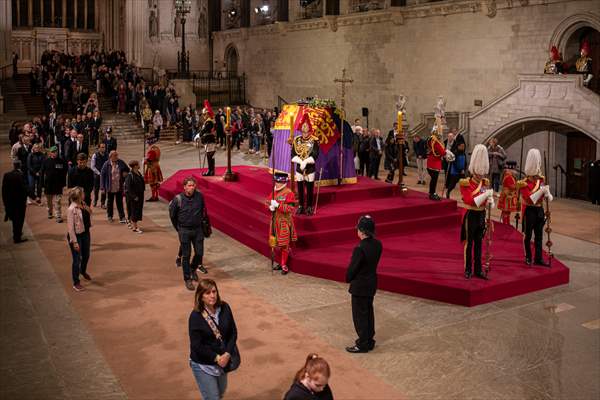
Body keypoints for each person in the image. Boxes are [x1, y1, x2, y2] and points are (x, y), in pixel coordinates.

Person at [188, 279, 239, 400]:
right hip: (203, 364)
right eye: (207, 293)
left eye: (214, 291)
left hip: (223, 361)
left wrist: (227, 353)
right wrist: (216, 358)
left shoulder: (225, 307)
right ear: (200, 297)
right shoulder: (195, 317)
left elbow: (233, 332)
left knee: (220, 393)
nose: (212, 295)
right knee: (212, 397)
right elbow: (196, 345)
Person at [345, 215, 382, 353]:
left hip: (359, 287)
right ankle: (369, 340)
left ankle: (362, 344)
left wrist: (348, 278)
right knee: (368, 313)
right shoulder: (378, 244)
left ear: (362, 231)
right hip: (371, 283)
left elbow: (353, 268)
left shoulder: (359, 248)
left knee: (360, 316)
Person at [459, 144, 494, 280]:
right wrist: (485, 196)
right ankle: (468, 269)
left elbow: (484, 201)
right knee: (469, 243)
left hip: (481, 215)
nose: (481, 173)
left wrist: (490, 200)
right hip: (471, 214)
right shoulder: (466, 183)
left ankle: (478, 270)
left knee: (479, 243)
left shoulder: (485, 182)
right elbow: (470, 200)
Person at [169, 177, 208, 291]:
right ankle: (187, 279)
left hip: (197, 229)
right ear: (184, 187)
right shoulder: (178, 199)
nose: (192, 187)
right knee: (186, 255)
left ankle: (192, 269)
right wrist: (179, 229)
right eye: (190, 185)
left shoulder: (200, 196)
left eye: (193, 185)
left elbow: (203, 211)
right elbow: (172, 216)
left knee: (199, 253)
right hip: (184, 230)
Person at [518, 149, 553, 267]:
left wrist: (548, 194)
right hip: (529, 210)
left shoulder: (541, 180)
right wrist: (542, 191)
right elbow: (529, 199)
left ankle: (538, 258)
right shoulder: (524, 183)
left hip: (539, 210)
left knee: (539, 236)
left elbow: (546, 197)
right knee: (528, 236)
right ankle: (528, 257)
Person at [267, 172, 297, 275]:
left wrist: (278, 206)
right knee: (275, 243)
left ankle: (284, 265)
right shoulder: (273, 191)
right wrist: (269, 206)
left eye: (279, 182)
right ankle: (280, 262)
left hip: (284, 222)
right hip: (274, 221)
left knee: (284, 244)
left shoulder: (289, 193)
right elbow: (267, 201)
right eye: (276, 181)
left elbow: (290, 208)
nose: (277, 184)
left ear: (284, 182)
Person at [291, 113, 320, 216]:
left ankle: (309, 206)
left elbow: (315, 155)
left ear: (309, 131)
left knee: (310, 188)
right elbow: (293, 154)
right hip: (299, 168)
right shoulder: (297, 140)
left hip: (310, 169)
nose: (304, 134)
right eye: (303, 132)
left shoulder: (314, 141)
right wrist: (300, 162)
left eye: (306, 132)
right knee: (300, 188)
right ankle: (301, 206)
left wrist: (306, 162)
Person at [66, 187, 92, 292]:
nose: (84, 194)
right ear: (78, 196)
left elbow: (90, 213)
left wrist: (87, 208)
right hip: (76, 236)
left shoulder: (83, 204)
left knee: (86, 255)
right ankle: (76, 282)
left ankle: (83, 270)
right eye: (83, 193)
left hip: (85, 233)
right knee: (77, 259)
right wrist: (75, 242)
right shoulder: (71, 209)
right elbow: (70, 228)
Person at [2, 160, 28, 243]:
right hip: (19, 203)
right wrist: (35, 197)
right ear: (20, 166)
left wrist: (5, 202)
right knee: (19, 220)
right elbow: (25, 188)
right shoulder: (20, 175)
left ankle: (17, 234)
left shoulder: (6, 175)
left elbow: (4, 190)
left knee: (14, 219)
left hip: (10, 202)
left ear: (13, 166)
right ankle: (17, 237)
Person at [100, 150, 130, 223]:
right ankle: (110, 216)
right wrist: (102, 187)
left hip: (119, 186)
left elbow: (127, 169)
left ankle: (122, 217)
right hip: (110, 187)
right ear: (111, 157)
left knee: (119, 202)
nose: (117, 157)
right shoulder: (106, 164)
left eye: (117, 155)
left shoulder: (120, 162)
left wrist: (125, 173)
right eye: (115, 155)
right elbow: (102, 176)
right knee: (110, 202)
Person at [41, 146, 68, 222]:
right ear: (50, 153)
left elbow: (64, 172)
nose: (55, 153)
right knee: (49, 201)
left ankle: (58, 216)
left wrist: (63, 183)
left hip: (58, 185)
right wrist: (42, 184)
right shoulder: (46, 161)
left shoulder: (62, 161)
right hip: (48, 185)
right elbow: (42, 173)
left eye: (56, 152)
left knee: (58, 201)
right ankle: (50, 212)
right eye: (53, 152)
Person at [426, 126, 454, 201]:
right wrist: (447, 153)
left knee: (433, 179)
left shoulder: (430, 139)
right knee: (434, 179)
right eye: (439, 133)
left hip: (430, 161)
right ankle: (432, 193)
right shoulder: (435, 141)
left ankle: (432, 192)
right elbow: (441, 151)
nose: (440, 135)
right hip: (434, 163)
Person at [124, 160, 145, 233]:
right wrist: (134, 196)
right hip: (134, 197)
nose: (139, 165)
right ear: (135, 166)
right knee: (134, 211)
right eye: (138, 164)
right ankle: (135, 227)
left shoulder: (138, 173)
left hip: (140, 195)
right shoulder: (130, 175)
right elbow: (129, 188)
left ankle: (132, 224)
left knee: (137, 210)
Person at [497, 160, 519, 225]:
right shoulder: (509, 176)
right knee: (506, 212)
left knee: (507, 213)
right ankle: (505, 224)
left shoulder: (510, 175)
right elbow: (512, 186)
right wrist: (518, 185)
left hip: (508, 197)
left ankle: (507, 223)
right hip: (507, 198)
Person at [200, 100, 217, 176]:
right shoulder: (208, 121)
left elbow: (204, 130)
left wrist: (199, 134)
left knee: (210, 156)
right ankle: (211, 170)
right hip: (209, 141)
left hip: (209, 141)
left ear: (207, 114)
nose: (203, 116)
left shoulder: (209, 122)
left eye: (204, 114)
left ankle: (211, 171)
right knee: (210, 156)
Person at [91, 143, 108, 208]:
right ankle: (95, 200)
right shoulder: (95, 155)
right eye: (102, 147)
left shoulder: (107, 155)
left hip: (105, 175)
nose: (103, 148)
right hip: (97, 175)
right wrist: (99, 173)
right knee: (96, 189)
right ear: (99, 148)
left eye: (104, 147)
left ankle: (102, 203)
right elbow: (92, 166)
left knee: (104, 189)